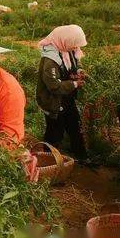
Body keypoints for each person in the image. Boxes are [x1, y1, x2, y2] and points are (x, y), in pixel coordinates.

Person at [36, 25, 88, 161]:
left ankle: (81, 156)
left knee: (74, 125)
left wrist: (78, 72)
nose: (75, 48)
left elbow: (75, 64)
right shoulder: (50, 59)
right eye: (73, 44)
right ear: (65, 40)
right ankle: (49, 160)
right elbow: (54, 86)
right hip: (53, 100)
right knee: (55, 131)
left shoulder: (67, 49)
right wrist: (75, 84)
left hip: (66, 96)